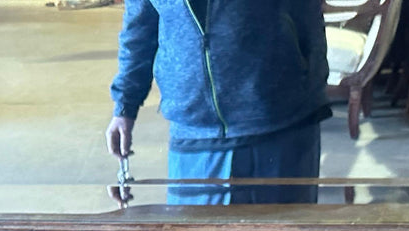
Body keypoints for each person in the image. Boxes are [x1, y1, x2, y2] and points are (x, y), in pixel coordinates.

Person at [107, 0, 330, 205]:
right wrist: (125, 107)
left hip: (279, 123)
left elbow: (309, 17)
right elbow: (139, 30)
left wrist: (311, 89)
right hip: (193, 127)